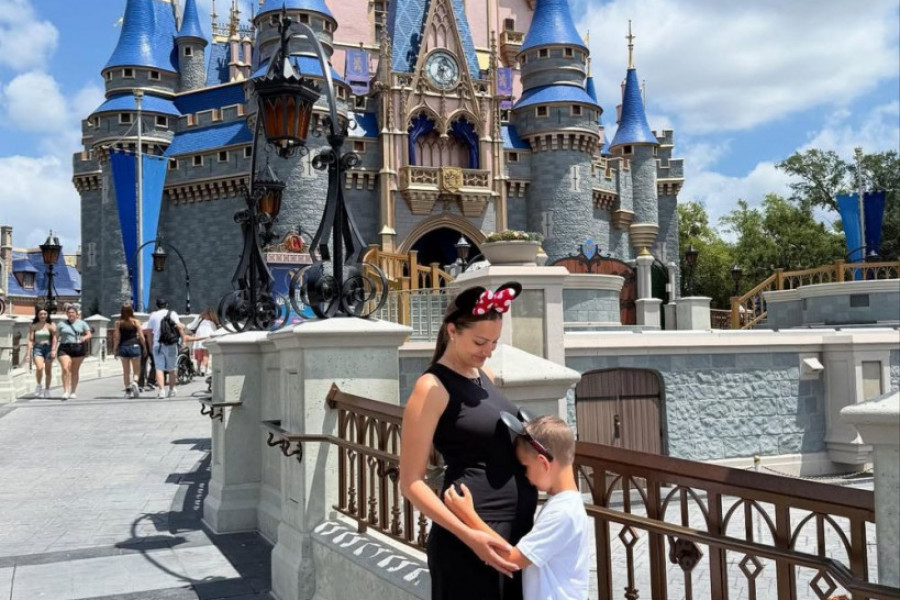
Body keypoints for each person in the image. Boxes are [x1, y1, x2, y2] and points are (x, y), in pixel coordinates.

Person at [399, 282, 537, 600]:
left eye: (494, 343)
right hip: (469, 539)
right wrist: (470, 536)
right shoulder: (431, 388)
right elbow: (411, 483)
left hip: (515, 532)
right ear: (452, 331)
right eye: (479, 342)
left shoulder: (483, 375)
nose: (487, 351)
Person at [444, 414, 590, 600]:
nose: (525, 476)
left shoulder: (563, 512)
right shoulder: (566, 504)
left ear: (543, 463)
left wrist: (468, 515)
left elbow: (512, 559)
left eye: (525, 467)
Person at [144, 298, 184, 399]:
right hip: (171, 344)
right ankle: (171, 390)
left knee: (159, 368)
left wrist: (150, 345)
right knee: (172, 368)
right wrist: (183, 339)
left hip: (157, 344)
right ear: (166, 305)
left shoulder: (153, 316)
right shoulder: (172, 314)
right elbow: (179, 327)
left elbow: (149, 332)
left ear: (156, 306)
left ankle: (161, 391)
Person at [55, 304, 92, 400]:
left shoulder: (82, 323)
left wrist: (84, 338)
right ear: (67, 314)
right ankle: (65, 391)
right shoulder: (61, 324)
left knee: (75, 371)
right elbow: (56, 337)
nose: (71, 314)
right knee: (65, 368)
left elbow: (89, 334)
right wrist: (53, 349)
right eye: (69, 312)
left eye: (73, 312)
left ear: (76, 314)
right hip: (64, 348)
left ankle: (73, 391)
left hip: (78, 348)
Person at [112, 304, 146, 398]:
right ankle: (135, 382)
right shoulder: (136, 322)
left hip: (124, 347)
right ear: (131, 311)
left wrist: (115, 349)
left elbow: (117, 337)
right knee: (137, 370)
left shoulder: (118, 323)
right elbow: (141, 336)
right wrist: (144, 347)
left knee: (126, 371)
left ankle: (127, 390)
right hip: (135, 346)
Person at [26, 307, 56, 398]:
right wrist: (28, 354)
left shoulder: (51, 325)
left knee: (48, 371)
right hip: (38, 349)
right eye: (41, 314)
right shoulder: (34, 326)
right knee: (39, 368)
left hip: (48, 349)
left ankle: (47, 390)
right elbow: (30, 340)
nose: (43, 316)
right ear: (38, 315)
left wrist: (53, 350)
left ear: (47, 315)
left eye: (44, 314)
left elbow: (54, 338)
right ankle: (39, 385)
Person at [187, 308, 219, 376]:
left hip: (198, 338)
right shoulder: (212, 323)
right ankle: (204, 369)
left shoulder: (200, 320)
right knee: (206, 354)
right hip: (207, 338)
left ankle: (198, 369)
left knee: (199, 355)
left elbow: (190, 327)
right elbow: (215, 332)